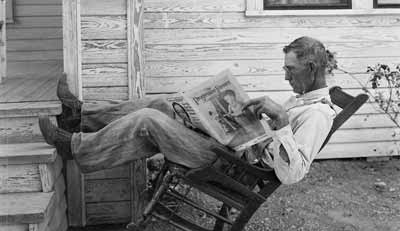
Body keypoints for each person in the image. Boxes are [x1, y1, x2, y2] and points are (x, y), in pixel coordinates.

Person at [39, 36, 336, 185]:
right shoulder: (302, 100)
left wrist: (281, 121)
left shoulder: (318, 114)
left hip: (229, 167)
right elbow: (271, 140)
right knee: (164, 105)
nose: (286, 76)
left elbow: (294, 173)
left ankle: (76, 148)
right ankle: (79, 116)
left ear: (310, 69)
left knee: (149, 120)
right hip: (231, 148)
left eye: (291, 70)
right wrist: (249, 120)